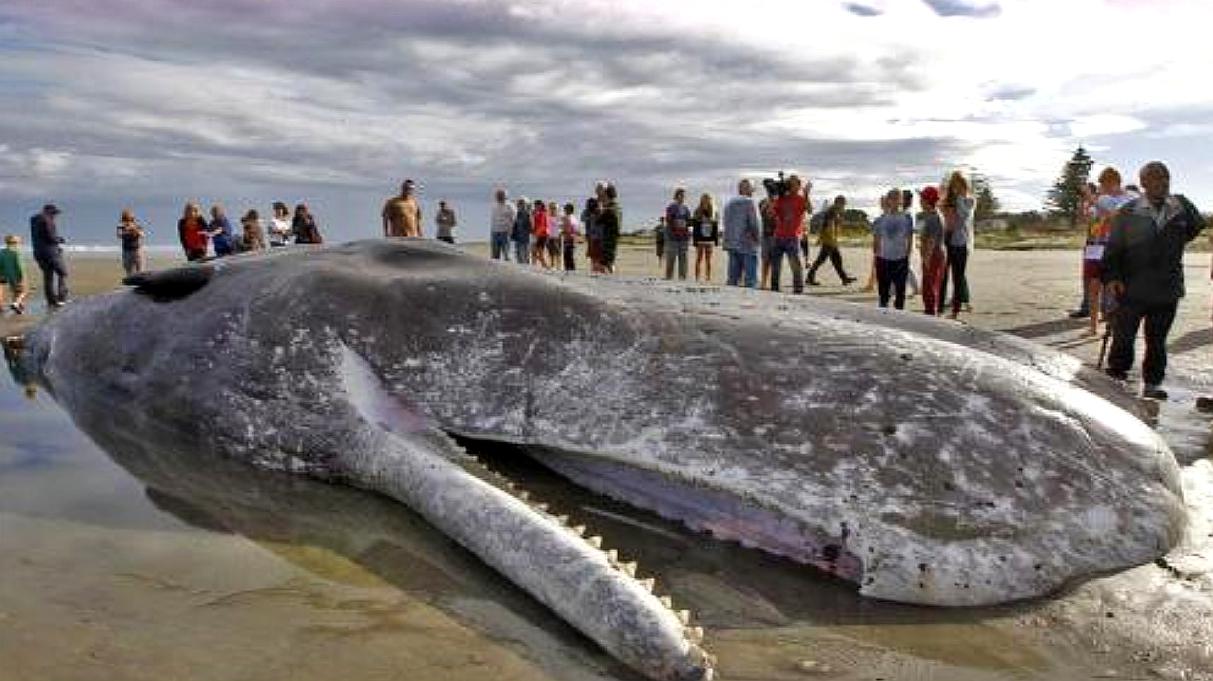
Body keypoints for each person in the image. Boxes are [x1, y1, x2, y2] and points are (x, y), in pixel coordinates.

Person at [1101, 161, 1206, 400]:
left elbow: (1195, 227)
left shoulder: (1181, 207)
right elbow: (1113, 251)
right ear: (1144, 183)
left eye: (1166, 177)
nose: (1163, 182)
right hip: (1131, 288)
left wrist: (1169, 246)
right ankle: (1117, 376)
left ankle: (1152, 384)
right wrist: (1113, 278)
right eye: (1157, 178)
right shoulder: (1128, 212)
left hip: (1167, 289)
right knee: (1124, 337)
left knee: (1157, 341)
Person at [1083, 167, 1133, 336]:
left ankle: (1114, 328)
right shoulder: (1101, 198)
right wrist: (1087, 205)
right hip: (1095, 247)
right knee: (1093, 288)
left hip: (1115, 249)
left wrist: (1093, 198)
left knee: (1114, 288)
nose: (1101, 188)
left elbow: (1115, 216)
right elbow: (1090, 219)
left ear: (1114, 182)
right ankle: (1093, 327)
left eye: (1103, 184)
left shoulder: (1129, 198)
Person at [940, 171, 975, 319]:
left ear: (964, 184)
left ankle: (956, 309)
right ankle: (939, 306)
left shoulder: (969, 200)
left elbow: (964, 216)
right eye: (953, 183)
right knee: (943, 275)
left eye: (959, 183)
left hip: (960, 242)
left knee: (958, 276)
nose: (956, 186)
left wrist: (958, 198)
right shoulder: (948, 200)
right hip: (945, 240)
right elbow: (942, 218)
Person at [873, 188, 914, 310]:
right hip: (883, 259)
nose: (896, 200)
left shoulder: (907, 218)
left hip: (900, 259)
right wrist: (877, 257)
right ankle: (883, 313)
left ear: (901, 200)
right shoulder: (880, 220)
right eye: (893, 198)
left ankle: (899, 315)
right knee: (883, 294)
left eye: (899, 198)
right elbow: (876, 241)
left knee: (900, 293)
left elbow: (910, 238)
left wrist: (907, 255)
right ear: (888, 200)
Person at [769, 175, 808, 294]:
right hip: (779, 235)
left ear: (799, 186)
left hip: (792, 236)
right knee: (775, 265)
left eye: (794, 183)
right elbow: (771, 213)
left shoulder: (801, 199)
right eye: (789, 183)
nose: (791, 186)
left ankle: (798, 289)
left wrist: (806, 194)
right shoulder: (781, 198)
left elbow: (809, 209)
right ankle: (774, 289)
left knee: (795, 265)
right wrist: (773, 196)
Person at [807, 195, 856, 286]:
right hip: (829, 240)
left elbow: (830, 225)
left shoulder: (834, 211)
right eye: (843, 204)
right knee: (822, 260)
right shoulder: (832, 211)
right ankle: (810, 277)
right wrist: (831, 240)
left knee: (836, 260)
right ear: (838, 203)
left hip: (830, 239)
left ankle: (844, 278)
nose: (844, 206)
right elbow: (829, 226)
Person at [722, 179, 761, 288]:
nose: (752, 191)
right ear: (748, 189)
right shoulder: (749, 202)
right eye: (751, 189)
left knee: (733, 279)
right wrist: (758, 240)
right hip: (747, 244)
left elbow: (726, 223)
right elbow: (754, 224)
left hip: (732, 244)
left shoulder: (729, 203)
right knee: (750, 279)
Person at [30, 204, 69, 307]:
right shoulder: (47, 220)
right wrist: (60, 240)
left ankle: (51, 300)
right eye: (54, 213)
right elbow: (50, 237)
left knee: (48, 277)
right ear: (49, 212)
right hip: (50, 252)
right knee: (63, 273)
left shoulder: (33, 220)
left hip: (38, 252)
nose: (55, 216)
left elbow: (41, 235)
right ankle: (61, 298)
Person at [917, 186, 947, 315]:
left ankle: (931, 314)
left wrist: (926, 259)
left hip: (933, 255)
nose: (920, 202)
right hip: (934, 254)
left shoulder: (933, 218)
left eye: (921, 198)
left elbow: (931, 241)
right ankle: (930, 311)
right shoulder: (929, 216)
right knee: (930, 285)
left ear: (926, 200)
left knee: (929, 287)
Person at [664, 187, 691, 280]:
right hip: (672, 237)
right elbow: (669, 220)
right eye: (680, 195)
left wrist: (686, 224)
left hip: (684, 238)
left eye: (683, 196)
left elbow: (689, 221)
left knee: (683, 259)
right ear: (676, 196)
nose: (682, 197)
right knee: (671, 258)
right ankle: (669, 277)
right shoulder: (671, 207)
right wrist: (677, 224)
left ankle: (682, 277)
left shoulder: (686, 208)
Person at [691, 193, 719, 282]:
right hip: (700, 239)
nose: (706, 201)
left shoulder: (714, 211)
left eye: (708, 199)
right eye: (704, 199)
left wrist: (716, 240)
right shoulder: (697, 211)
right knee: (699, 258)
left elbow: (716, 227)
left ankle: (708, 277)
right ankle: (697, 277)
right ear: (701, 200)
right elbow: (694, 226)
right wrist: (695, 241)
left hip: (709, 239)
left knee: (708, 260)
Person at [0, 235, 29, 314]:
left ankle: (19, 308)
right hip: (17, 275)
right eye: (19, 243)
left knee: (14, 291)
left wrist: (2, 273)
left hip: (7, 275)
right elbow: (20, 266)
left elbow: (1, 264)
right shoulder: (17, 253)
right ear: (15, 243)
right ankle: (16, 303)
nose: (19, 245)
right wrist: (23, 276)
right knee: (24, 291)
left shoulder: (2, 252)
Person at [901, 189, 921, 297]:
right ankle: (915, 288)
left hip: (905, 244)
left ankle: (916, 288)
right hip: (903, 243)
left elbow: (910, 231)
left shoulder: (907, 214)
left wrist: (908, 247)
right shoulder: (904, 212)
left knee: (905, 267)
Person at [116, 209, 146, 276]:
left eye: (129, 220)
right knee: (129, 273)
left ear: (132, 220)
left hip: (137, 251)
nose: (127, 222)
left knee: (140, 272)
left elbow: (143, 235)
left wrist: (134, 229)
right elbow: (119, 236)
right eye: (125, 220)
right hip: (126, 252)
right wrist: (125, 230)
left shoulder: (137, 226)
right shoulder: (121, 228)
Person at [600, 184, 621, 274]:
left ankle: (609, 278)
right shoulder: (617, 207)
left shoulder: (609, 208)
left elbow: (599, 221)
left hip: (608, 237)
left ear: (607, 195)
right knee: (610, 260)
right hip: (614, 237)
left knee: (606, 262)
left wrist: (601, 209)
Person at [758, 193, 777, 289]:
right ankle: (763, 282)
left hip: (776, 235)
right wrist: (768, 202)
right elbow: (760, 213)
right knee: (765, 261)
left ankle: (774, 283)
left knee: (775, 262)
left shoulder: (779, 202)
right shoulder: (763, 202)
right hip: (765, 235)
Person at [489, 189, 515, 261]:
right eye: (497, 195)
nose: (498, 197)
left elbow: (513, 219)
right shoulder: (494, 206)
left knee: (506, 254)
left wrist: (511, 230)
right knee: (494, 255)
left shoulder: (510, 206)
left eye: (500, 195)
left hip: (505, 232)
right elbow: (493, 219)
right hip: (495, 231)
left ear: (505, 196)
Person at [583, 197, 603, 273]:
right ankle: (594, 270)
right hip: (592, 238)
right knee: (593, 257)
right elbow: (583, 218)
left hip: (596, 238)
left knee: (596, 258)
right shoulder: (589, 214)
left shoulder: (597, 214)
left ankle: (596, 271)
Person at [531, 200, 551, 268]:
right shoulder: (539, 213)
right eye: (535, 205)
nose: (535, 206)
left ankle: (543, 265)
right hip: (540, 234)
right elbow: (535, 224)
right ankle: (542, 265)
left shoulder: (542, 213)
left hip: (542, 235)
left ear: (540, 205)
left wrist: (536, 234)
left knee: (537, 252)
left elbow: (542, 225)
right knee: (536, 252)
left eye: (537, 205)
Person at [560, 202, 580, 271]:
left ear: (569, 210)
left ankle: (570, 271)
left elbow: (569, 230)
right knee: (569, 257)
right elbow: (577, 230)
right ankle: (571, 271)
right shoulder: (574, 218)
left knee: (568, 257)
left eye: (565, 209)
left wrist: (563, 231)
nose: (564, 210)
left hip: (569, 239)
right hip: (571, 239)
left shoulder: (568, 218)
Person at [511, 198, 532, 264]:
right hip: (518, 238)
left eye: (522, 204)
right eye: (519, 204)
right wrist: (513, 235)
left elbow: (530, 227)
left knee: (525, 255)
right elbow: (515, 226)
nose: (520, 206)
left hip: (526, 238)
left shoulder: (528, 215)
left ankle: (526, 268)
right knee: (519, 255)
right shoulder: (517, 214)